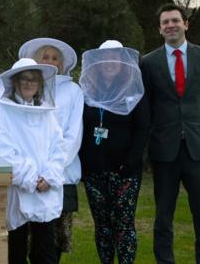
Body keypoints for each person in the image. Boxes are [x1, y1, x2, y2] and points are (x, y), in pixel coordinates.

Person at [140, 3, 200, 264]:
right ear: (160, 29)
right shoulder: (148, 62)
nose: (171, 25)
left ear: (186, 24)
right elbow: (147, 108)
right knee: (163, 217)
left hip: (199, 150)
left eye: (175, 20)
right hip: (165, 151)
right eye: (165, 22)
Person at [0, 58, 65, 264]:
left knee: (45, 253)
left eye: (34, 79)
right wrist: (31, 179)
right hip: (17, 191)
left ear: (40, 84)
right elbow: (1, 152)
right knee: (15, 253)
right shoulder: (1, 113)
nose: (29, 83)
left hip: (45, 191)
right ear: (14, 82)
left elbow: (59, 148)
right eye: (24, 79)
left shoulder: (47, 114)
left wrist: (49, 176)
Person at [78, 40, 149, 264]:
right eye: (105, 58)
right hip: (94, 171)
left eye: (114, 57)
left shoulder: (133, 88)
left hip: (124, 171)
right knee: (102, 225)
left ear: (122, 61)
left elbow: (143, 127)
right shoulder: (89, 89)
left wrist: (131, 162)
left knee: (124, 224)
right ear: (98, 63)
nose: (110, 62)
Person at [19, 38, 83, 258]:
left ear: (62, 64)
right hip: (27, 175)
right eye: (45, 57)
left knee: (51, 243)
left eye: (55, 58)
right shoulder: (27, 88)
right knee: (22, 237)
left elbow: (72, 136)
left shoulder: (74, 91)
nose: (50, 61)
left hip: (60, 175)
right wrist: (31, 172)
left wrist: (51, 172)